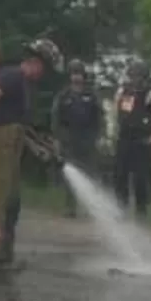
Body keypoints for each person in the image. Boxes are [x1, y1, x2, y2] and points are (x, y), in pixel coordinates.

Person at [0, 39, 63, 266]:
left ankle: (4, 249)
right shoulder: (13, 76)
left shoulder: (26, 84)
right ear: (35, 63)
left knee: (10, 198)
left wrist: (42, 146)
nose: (43, 75)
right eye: (44, 69)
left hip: (8, 141)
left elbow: (20, 122)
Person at [107, 60, 151, 220]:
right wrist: (111, 135)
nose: (135, 79)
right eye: (133, 76)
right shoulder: (122, 92)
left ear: (145, 77)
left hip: (143, 141)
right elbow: (113, 116)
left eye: (139, 76)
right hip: (124, 139)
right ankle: (121, 208)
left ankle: (141, 211)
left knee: (141, 178)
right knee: (120, 176)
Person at [50, 59, 103, 217]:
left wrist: (99, 136)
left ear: (83, 75)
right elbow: (56, 117)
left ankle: (91, 207)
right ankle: (70, 207)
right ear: (70, 76)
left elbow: (99, 116)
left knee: (90, 173)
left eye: (79, 74)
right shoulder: (63, 95)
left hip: (87, 138)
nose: (76, 77)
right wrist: (57, 138)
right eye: (74, 74)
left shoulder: (91, 94)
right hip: (68, 139)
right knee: (70, 174)